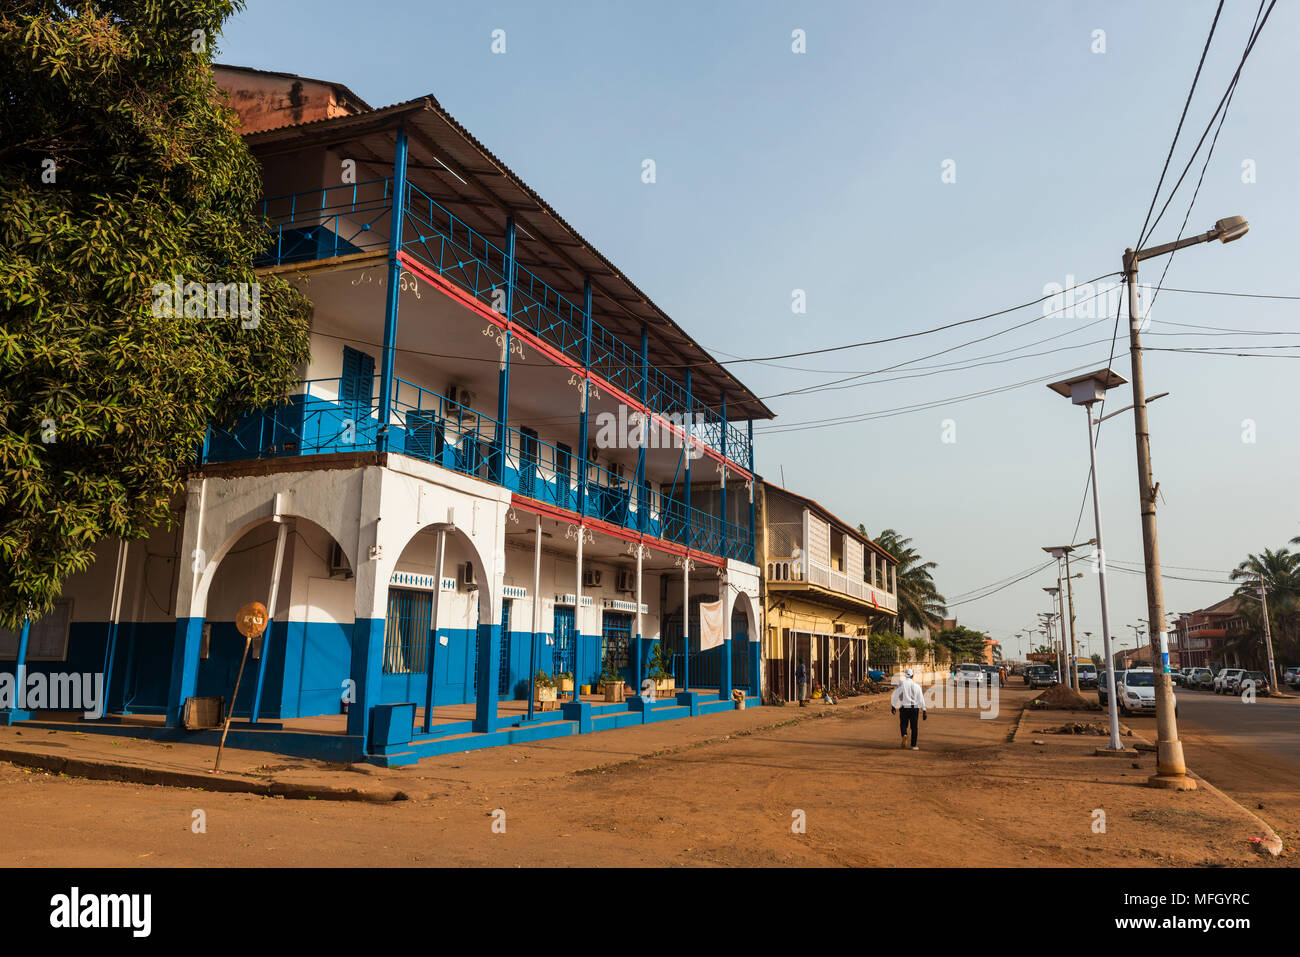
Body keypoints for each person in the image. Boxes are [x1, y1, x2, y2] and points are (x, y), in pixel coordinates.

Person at [890, 667, 927, 750]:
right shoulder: (917, 686)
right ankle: (913, 745)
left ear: (905, 675)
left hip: (904, 708)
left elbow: (895, 695)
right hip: (914, 708)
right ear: (912, 676)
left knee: (903, 724)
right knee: (914, 727)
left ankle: (904, 735)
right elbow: (921, 698)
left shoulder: (901, 684)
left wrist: (893, 706)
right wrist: (924, 710)